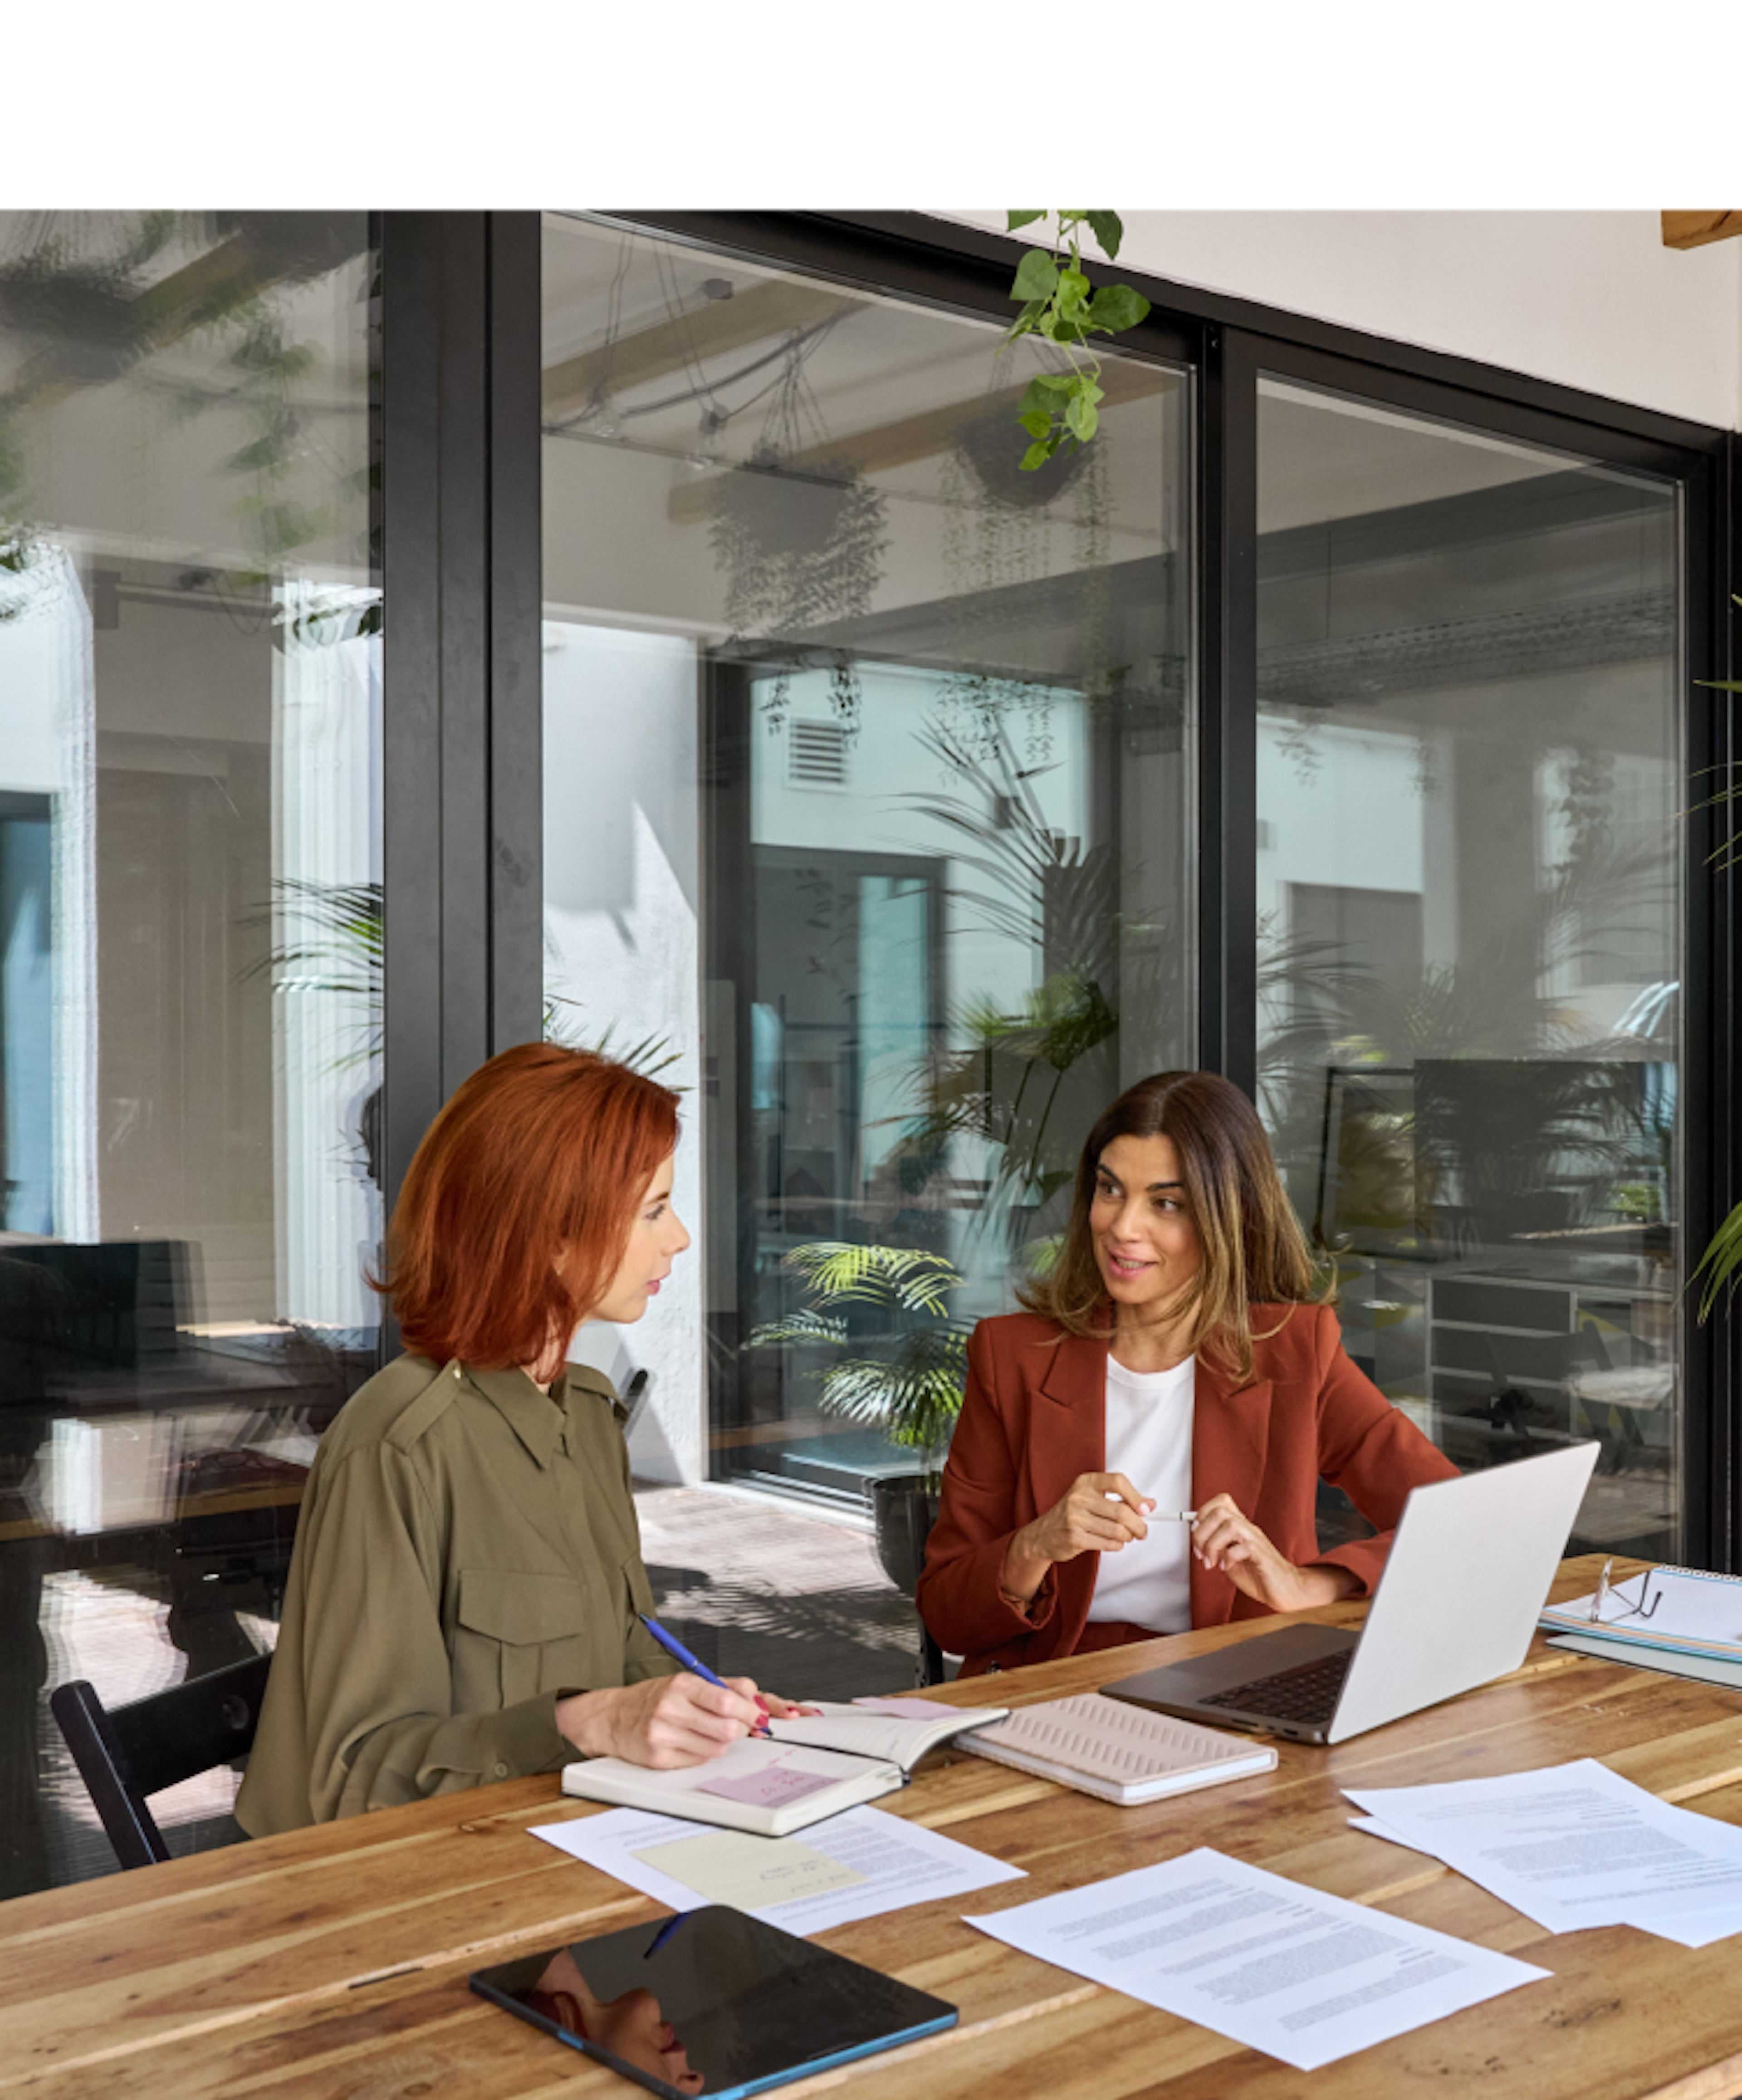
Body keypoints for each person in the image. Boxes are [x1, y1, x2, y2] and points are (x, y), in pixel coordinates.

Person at [238, 1043, 800, 1834]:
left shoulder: (587, 1411)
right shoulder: (398, 1448)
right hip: (404, 1905)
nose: (677, 1239)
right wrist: (581, 1724)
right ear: (549, 1234)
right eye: (652, 1210)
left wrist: (696, 1708)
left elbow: (622, 1646)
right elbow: (351, 1777)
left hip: (563, 1851)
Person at [915, 1070, 1458, 1676]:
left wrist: (1309, 1584)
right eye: (1110, 1189)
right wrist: (1037, 1545)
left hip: (1235, 1687)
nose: (1123, 1227)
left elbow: (1455, 1519)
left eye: (1166, 1203)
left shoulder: (1296, 1352)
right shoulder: (1011, 1357)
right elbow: (946, 1616)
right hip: (1053, 1690)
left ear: (1229, 1216)